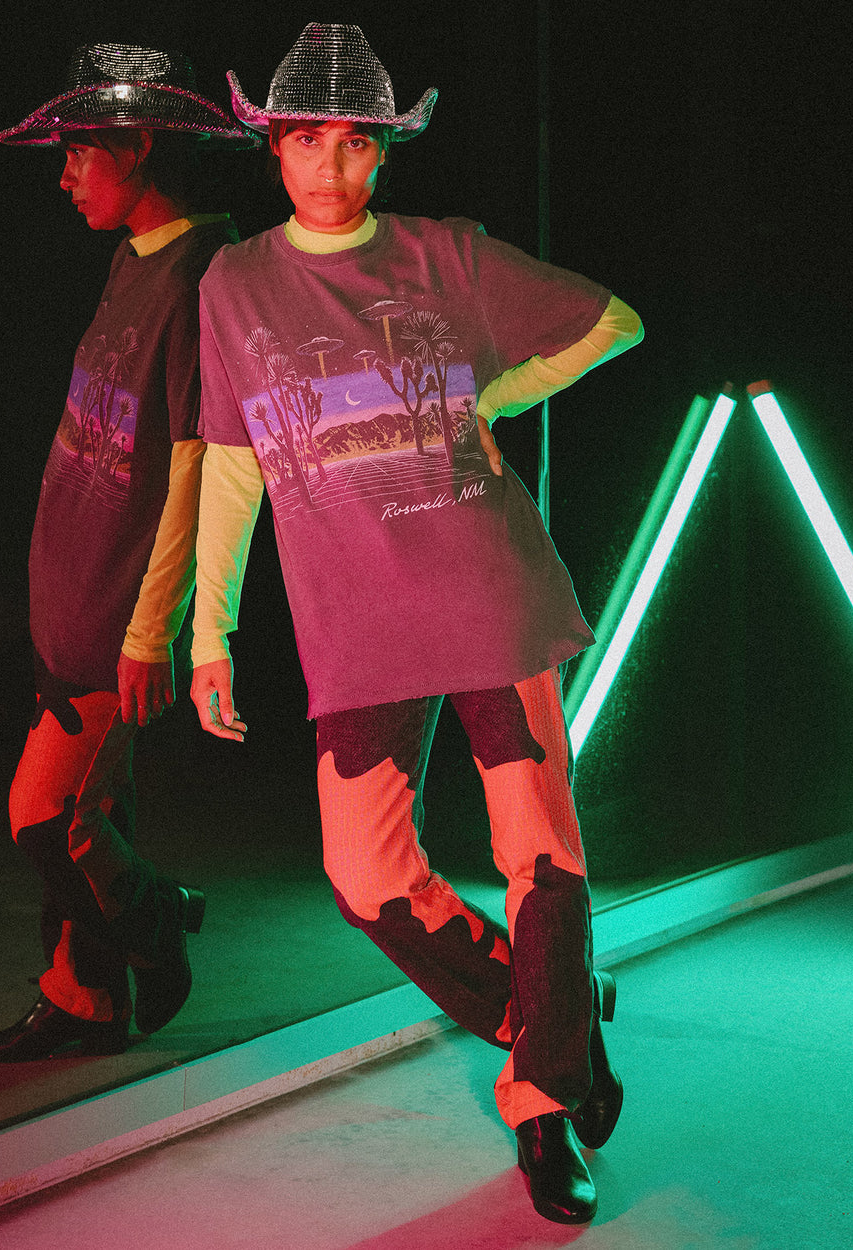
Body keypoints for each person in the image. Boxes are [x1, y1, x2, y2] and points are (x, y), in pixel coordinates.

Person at [189, 24, 642, 1224]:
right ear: (273, 147)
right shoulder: (233, 284)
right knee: (364, 874)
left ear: (384, 152)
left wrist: (491, 394)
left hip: (486, 591)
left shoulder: (445, 255)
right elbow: (230, 464)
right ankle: (548, 1013)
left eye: (354, 143)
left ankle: (543, 1101)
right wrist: (206, 631)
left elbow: (611, 321)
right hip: (355, 622)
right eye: (306, 141)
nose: (329, 166)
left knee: (538, 847)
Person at [0, 43, 257, 1063]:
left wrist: (152, 629)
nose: (64, 176)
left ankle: (161, 914)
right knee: (89, 806)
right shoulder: (134, 257)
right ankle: (83, 998)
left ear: (136, 148)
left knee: (47, 818)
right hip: (70, 589)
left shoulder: (201, 276)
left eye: (79, 153)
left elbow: (194, 466)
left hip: (113, 608)